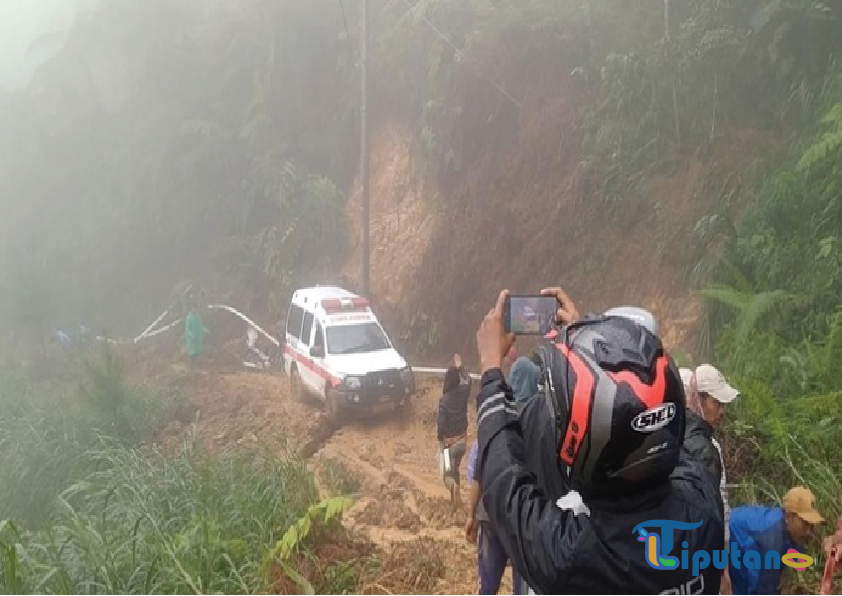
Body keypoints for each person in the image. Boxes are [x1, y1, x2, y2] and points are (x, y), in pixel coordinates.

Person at [474, 287, 724, 594]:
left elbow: (504, 479)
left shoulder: (572, 557)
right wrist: (587, 351)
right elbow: (667, 427)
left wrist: (490, 367)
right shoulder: (704, 502)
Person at [686, 364, 740, 594]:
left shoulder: (678, 435)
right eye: (716, 403)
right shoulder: (704, 450)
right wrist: (720, 568)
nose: (722, 411)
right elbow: (713, 515)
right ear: (698, 399)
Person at [729, 486, 825, 595]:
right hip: (726, 538)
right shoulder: (772, 542)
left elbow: (798, 561)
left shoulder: (790, 530)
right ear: (788, 517)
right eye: (805, 524)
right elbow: (764, 588)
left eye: (812, 525)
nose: (809, 531)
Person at [466, 438, 515, 594]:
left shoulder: (485, 435)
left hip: (490, 517)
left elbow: (476, 480)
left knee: (487, 582)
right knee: (524, 586)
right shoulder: (528, 428)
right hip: (520, 520)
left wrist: (471, 516)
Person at [438, 353, 471, 508]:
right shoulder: (463, 393)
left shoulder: (444, 400)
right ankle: (456, 504)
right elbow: (469, 380)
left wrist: (441, 441)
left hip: (448, 446)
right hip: (462, 442)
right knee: (455, 469)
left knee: (446, 474)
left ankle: (453, 487)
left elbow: (441, 423)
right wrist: (460, 366)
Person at [184, 300, 209, 369]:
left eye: (195, 308)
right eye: (193, 308)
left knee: (198, 353)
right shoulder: (188, 318)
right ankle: (192, 367)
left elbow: (200, 326)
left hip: (198, 339)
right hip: (192, 340)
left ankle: (197, 367)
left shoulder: (198, 316)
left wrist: (204, 330)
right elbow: (188, 329)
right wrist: (191, 335)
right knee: (192, 354)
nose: (194, 310)